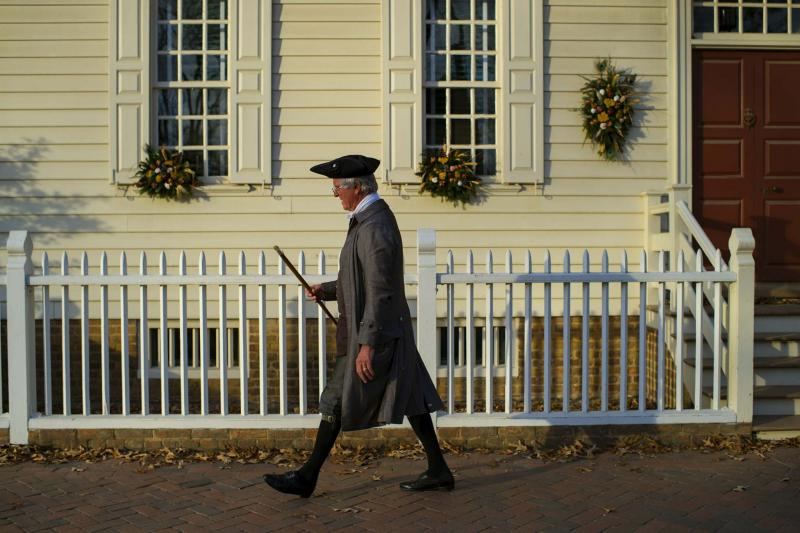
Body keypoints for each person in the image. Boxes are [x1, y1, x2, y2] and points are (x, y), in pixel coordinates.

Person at [263, 154, 453, 497]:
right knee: (411, 396)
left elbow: (381, 290)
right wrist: (328, 289)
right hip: (380, 330)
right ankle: (439, 469)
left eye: (337, 187)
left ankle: (307, 477)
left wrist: (366, 345)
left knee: (336, 399)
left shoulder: (374, 226)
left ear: (356, 188)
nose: (334, 194)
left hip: (374, 333)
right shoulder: (367, 220)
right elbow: (361, 278)